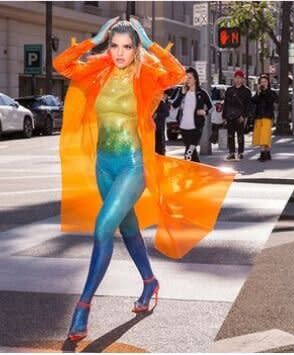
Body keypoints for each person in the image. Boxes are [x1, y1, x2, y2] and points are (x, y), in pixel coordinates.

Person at [53, 17, 234, 342]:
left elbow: (177, 74)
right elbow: (63, 64)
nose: (120, 52)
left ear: (135, 49)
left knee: (103, 227)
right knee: (128, 227)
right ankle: (150, 281)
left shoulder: (145, 73)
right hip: (104, 164)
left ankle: (83, 306)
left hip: (133, 164)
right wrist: (93, 39)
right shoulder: (99, 70)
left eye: (127, 46)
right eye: (114, 45)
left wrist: (150, 43)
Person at [171, 67, 212, 162]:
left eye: (189, 78)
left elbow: (212, 108)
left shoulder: (202, 93)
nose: (187, 80)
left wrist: (204, 112)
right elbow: (174, 105)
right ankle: (197, 172)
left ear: (195, 79)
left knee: (189, 152)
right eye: (186, 78)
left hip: (197, 127)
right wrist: (181, 94)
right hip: (184, 127)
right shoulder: (182, 92)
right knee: (191, 153)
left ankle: (191, 172)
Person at [223, 69, 252, 161]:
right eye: (236, 77)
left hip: (240, 116)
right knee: (230, 135)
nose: (238, 79)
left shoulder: (246, 91)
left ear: (243, 79)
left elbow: (248, 105)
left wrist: (244, 116)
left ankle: (240, 152)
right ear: (234, 78)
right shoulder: (229, 90)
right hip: (230, 115)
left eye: (240, 78)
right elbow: (226, 103)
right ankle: (231, 152)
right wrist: (224, 116)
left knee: (240, 135)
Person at [251, 73, 277, 162]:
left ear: (268, 83)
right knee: (260, 135)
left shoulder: (271, 92)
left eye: (265, 82)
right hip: (258, 116)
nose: (263, 83)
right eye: (261, 82)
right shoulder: (258, 92)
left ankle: (263, 154)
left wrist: (265, 91)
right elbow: (253, 101)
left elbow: (271, 100)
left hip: (267, 116)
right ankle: (266, 153)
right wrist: (258, 93)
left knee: (265, 135)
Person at [154, 91, 170, 155]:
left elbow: (166, 113)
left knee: (160, 145)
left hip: (159, 127)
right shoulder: (154, 100)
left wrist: (157, 115)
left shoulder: (165, 103)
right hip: (152, 127)